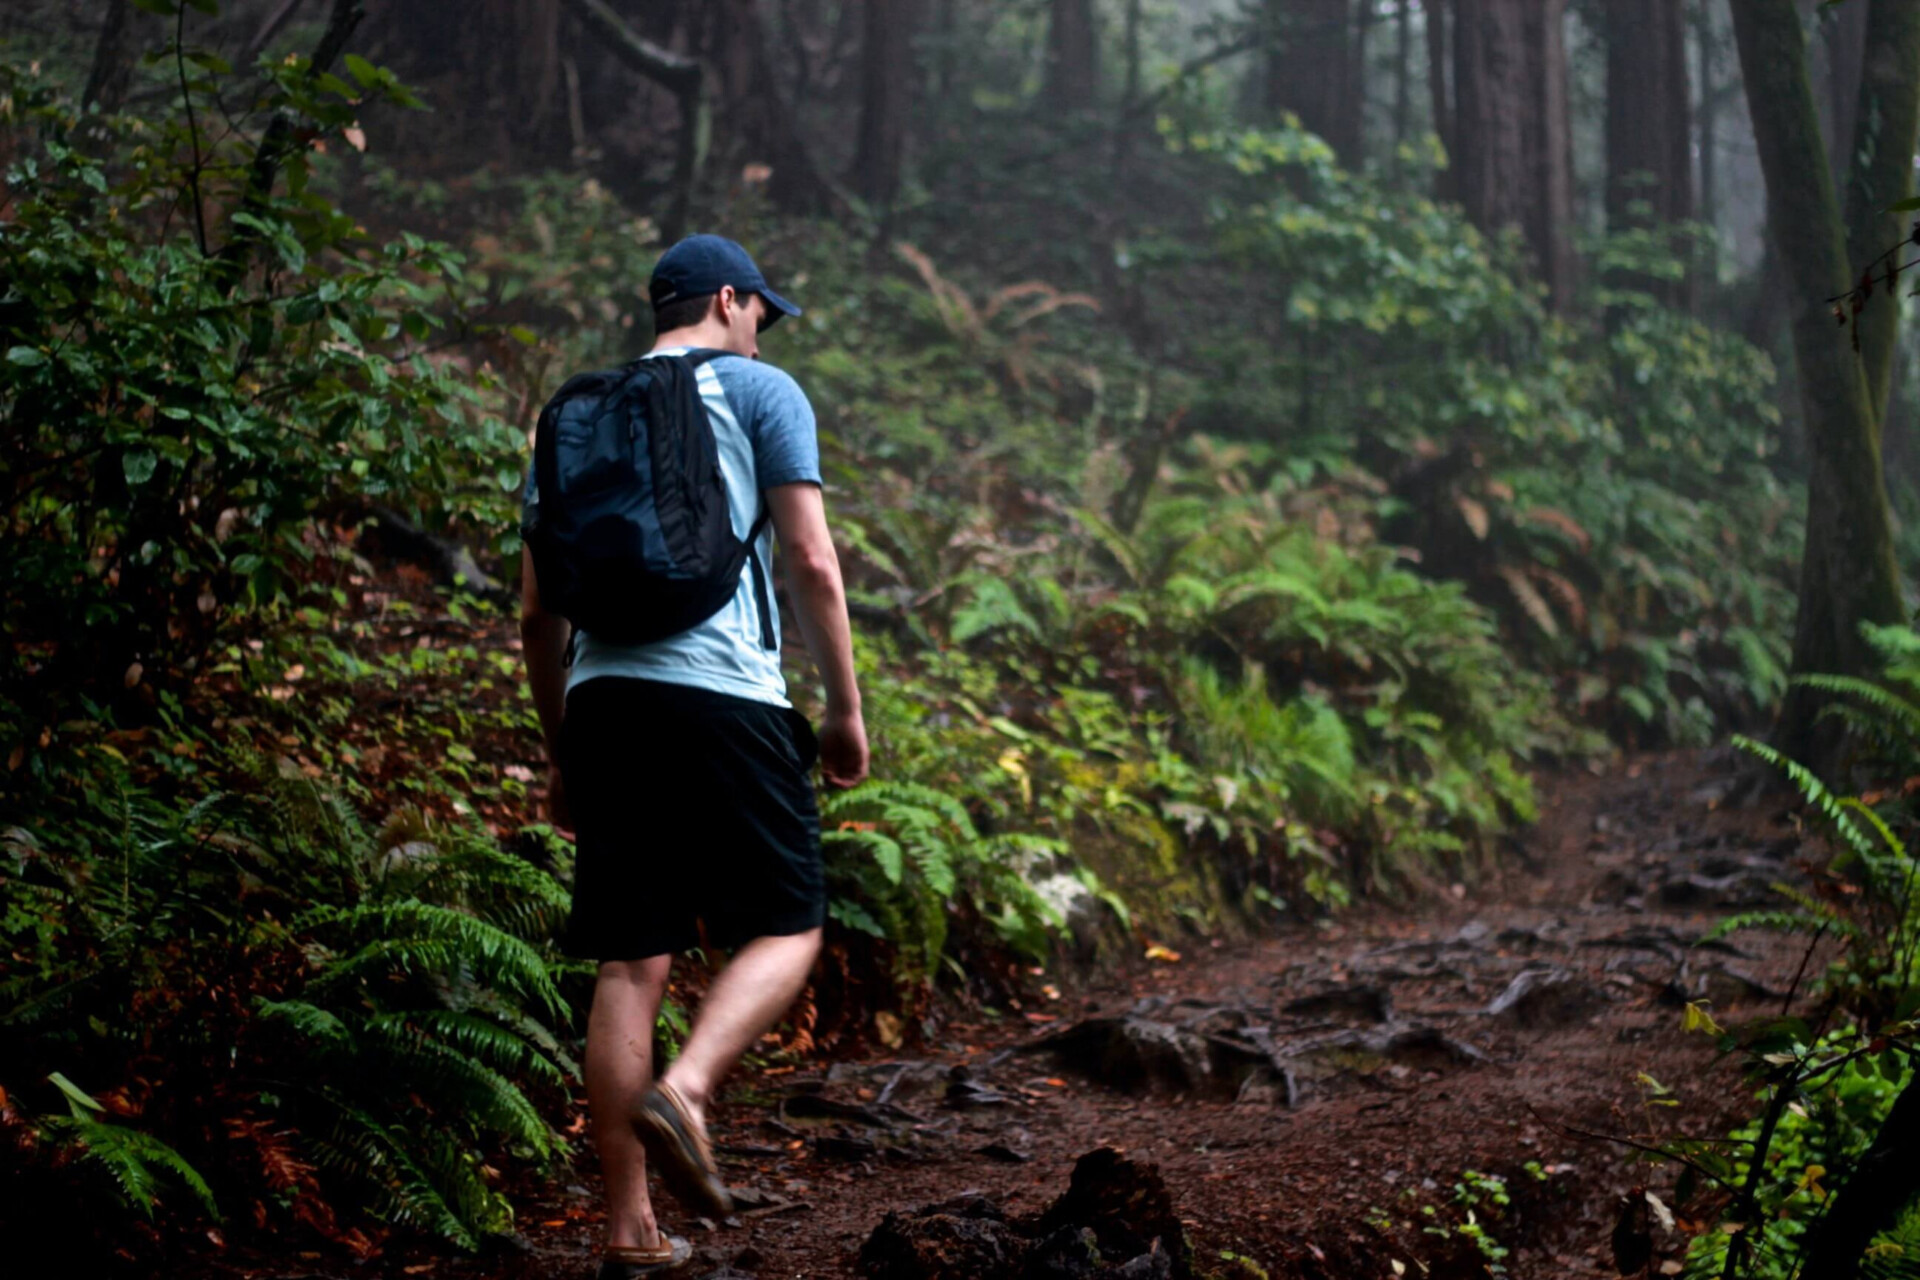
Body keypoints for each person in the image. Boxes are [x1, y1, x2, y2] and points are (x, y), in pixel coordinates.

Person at [519, 234, 869, 1279]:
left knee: (632, 960)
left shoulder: (574, 414)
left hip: (605, 700)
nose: (761, 331)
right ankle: (694, 1083)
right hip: (726, 692)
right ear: (728, 298)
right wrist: (845, 709)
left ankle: (628, 1232)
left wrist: (562, 749)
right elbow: (809, 556)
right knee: (790, 919)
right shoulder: (763, 395)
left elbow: (539, 612)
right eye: (761, 310)